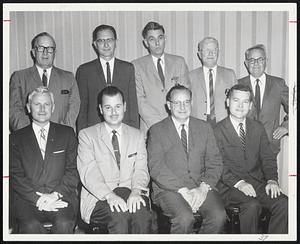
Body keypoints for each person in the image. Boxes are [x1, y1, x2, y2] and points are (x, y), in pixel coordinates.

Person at [147, 85, 226, 234]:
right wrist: (183, 190)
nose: (182, 107)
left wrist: (203, 188)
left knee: (219, 216)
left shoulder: (205, 128)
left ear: (191, 103)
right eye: (177, 103)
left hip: (201, 186)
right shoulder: (157, 130)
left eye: (186, 102)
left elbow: (215, 162)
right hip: (169, 189)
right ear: (169, 105)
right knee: (184, 218)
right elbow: (156, 168)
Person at [214, 84, 288, 234]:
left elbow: (267, 158)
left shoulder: (257, 127)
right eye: (236, 100)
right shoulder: (216, 130)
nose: (240, 106)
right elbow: (218, 165)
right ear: (227, 102)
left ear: (250, 105)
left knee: (283, 203)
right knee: (252, 205)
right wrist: (239, 183)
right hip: (230, 187)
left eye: (245, 102)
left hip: (257, 183)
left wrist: (272, 180)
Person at [77, 86, 152, 234]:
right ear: (100, 109)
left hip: (131, 191)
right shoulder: (87, 135)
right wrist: (110, 196)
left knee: (142, 215)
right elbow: (89, 173)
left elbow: (141, 169)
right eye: (108, 107)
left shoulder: (137, 135)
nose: (113, 112)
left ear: (124, 107)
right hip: (99, 197)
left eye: (117, 106)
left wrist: (136, 191)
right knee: (119, 217)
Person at [9, 86, 79, 234]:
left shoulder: (67, 133)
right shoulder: (15, 138)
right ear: (28, 107)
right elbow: (16, 176)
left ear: (53, 107)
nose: (42, 109)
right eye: (37, 104)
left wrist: (54, 195)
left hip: (61, 196)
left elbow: (73, 171)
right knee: (29, 225)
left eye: (46, 104)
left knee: (64, 223)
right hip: (27, 199)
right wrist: (37, 199)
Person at [9, 32, 80, 132]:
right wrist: (28, 135)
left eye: (50, 49)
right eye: (41, 48)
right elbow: (14, 110)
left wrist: (64, 133)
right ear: (33, 52)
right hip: (29, 139)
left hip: (60, 137)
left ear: (55, 52)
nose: (45, 53)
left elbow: (74, 108)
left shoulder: (68, 78)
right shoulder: (19, 77)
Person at [76, 24, 139, 133]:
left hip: (124, 129)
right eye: (101, 41)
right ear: (95, 44)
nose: (106, 45)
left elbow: (132, 104)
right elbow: (82, 108)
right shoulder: (84, 70)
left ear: (116, 42)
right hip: (94, 132)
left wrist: (135, 132)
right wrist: (82, 135)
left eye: (109, 40)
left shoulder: (127, 68)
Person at [132, 21, 191, 137]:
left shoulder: (179, 62)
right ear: (146, 43)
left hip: (179, 125)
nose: (157, 43)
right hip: (151, 128)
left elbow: (186, 93)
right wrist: (161, 125)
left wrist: (174, 122)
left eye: (160, 38)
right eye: (152, 39)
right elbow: (139, 100)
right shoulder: (136, 66)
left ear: (165, 39)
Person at [238, 44, 288, 155]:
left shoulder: (278, 84)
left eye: (260, 59)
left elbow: (295, 107)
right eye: (251, 60)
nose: (256, 63)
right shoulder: (237, 84)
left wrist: (286, 125)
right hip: (243, 148)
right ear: (246, 63)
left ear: (266, 61)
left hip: (270, 147)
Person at [189, 37, 237, 127]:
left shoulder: (230, 74)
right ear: (199, 54)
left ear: (218, 52)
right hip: (198, 123)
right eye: (207, 50)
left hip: (224, 122)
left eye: (214, 50)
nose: (210, 53)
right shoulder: (190, 76)